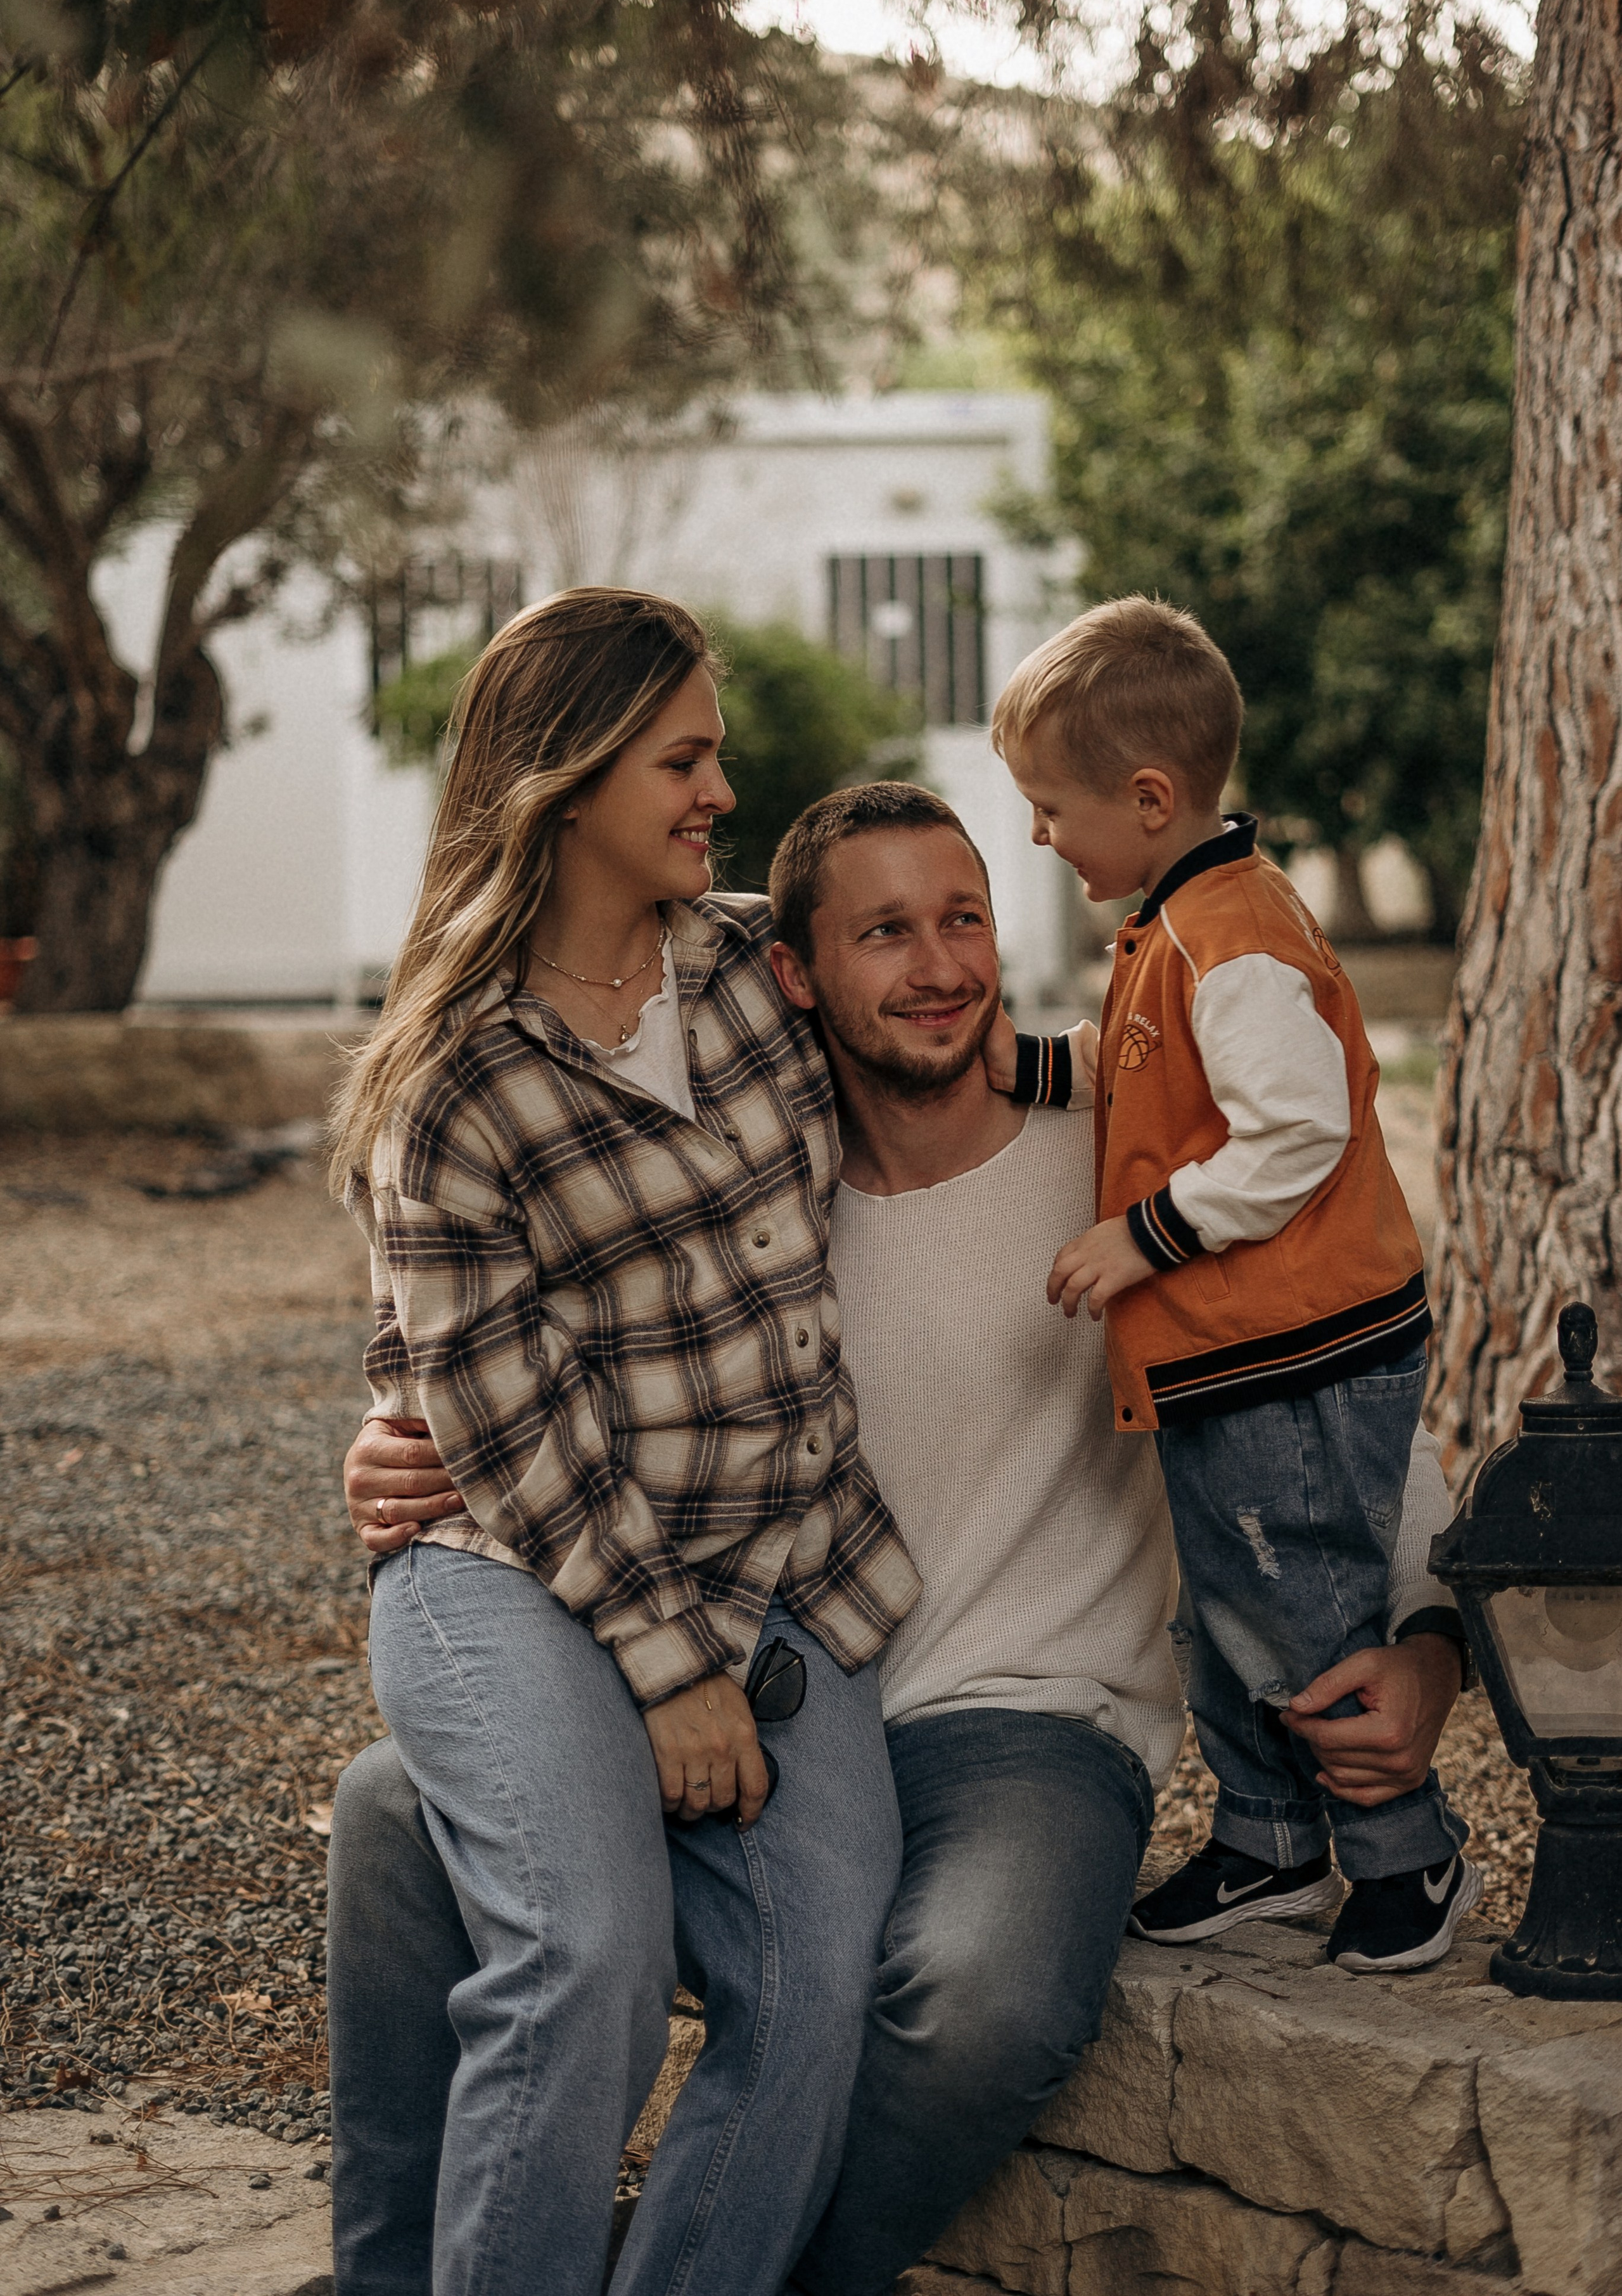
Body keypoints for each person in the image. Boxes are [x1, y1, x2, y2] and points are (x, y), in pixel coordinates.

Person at [335, 781, 1469, 2296]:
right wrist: (402, 1437)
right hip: (773, 1680)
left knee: (974, 1991)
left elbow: (1332, 1409)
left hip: (1025, 1726)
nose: (939, 967)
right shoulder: (752, 1194)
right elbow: (525, 1361)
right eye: (883, 933)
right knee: (392, 1816)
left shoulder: (1129, 1182)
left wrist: (1426, 1646)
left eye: (964, 921)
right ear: (791, 972)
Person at [325, 590, 923, 2296]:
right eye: (684, 756)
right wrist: (671, 1674)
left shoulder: (751, 969)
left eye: (715, 753)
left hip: (779, 1572)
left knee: (816, 1985)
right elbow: (496, 1414)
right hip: (512, 1566)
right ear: (572, 777)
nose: (721, 789)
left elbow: (938, 1045)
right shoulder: (453, 1072)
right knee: (588, 1953)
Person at [991, 593, 1478, 1974]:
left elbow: (1295, 1130)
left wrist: (1140, 1237)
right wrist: (1022, 1071)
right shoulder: (1183, 923)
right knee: (1227, 1607)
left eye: (1047, 807)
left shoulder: (1235, 939)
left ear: (1146, 798)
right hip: (1243, 1356)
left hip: (1298, 1352)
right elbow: (1138, 1062)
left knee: (1304, 1606)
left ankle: (1403, 1853)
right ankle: (1268, 1840)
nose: (1037, 834)